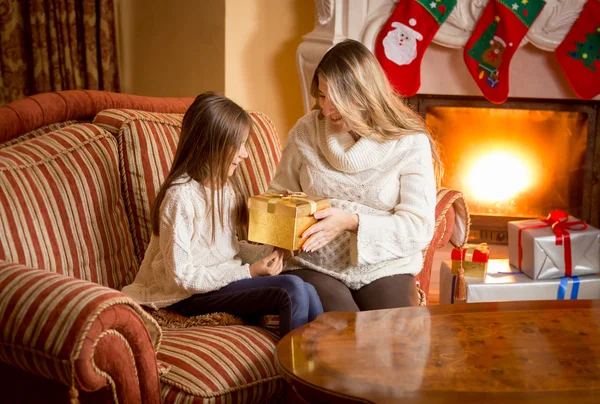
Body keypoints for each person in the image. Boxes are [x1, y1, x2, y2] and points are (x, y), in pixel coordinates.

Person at [122, 92, 323, 335]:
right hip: (185, 295)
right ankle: (294, 369)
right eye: (238, 146)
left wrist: (271, 252)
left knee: (309, 288)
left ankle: (319, 367)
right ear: (211, 145)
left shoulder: (225, 190)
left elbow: (227, 250)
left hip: (218, 283)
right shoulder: (180, 197)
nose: (245, 154)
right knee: (291, 289)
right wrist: (249, 272)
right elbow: (183, 277)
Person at [269, 39, 442, 312]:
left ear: (364, 95)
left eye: (335, 99)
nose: (325, 109)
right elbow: (279, 197)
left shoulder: (409, 142)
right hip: (313, 264)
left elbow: (418, 228)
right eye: (322, 96)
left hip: (385, 265)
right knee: (343, 333)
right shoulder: (307, 131)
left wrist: (351, 222)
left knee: (392, 332)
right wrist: (277, 244)